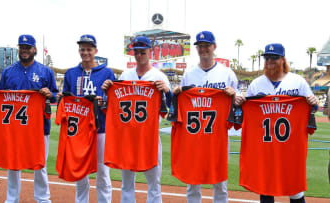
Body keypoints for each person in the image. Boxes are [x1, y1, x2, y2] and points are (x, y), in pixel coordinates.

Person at [236, 43, 318, 203]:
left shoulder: (298, 81)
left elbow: (312, 109)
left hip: (291, 149)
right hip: (265, 148)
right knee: (266, 189)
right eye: (267, 58)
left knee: (295, 191)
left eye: (274, 58)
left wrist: (313, 103)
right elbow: (245, 111)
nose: (270, 61)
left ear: (283, 60)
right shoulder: (256, 84)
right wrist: (239, 102)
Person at [0, 34, 58, 203]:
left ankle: (43, 199)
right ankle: (12, 199)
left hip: (39, 127)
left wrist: (50, 94)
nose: (24, 50)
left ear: (35, 50)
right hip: (15, 127)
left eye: (27, 47)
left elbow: (55, 96)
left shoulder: (45, 71)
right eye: (22, 47)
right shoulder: (9, 71)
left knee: (40, 165)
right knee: (13, 163)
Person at [102, 35, 172, 203]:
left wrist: (167, 92)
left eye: (143, 52)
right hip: (127, 137)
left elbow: (172, 107)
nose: (139, 55)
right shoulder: (126, 75)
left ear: (150, 51)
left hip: (150, 137)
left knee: (154, 183)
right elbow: (112, 105)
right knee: (126, 183)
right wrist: (106, 91)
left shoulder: (159, 76)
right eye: (136, 52)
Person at [172, 31, 239, 203]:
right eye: (200, 46)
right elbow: (181, 103)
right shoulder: (189, 74)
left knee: (220, 182)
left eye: (207, 46)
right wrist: (178, 93)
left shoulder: (227, 74)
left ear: (214, 47)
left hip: (218, 135)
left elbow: (238, 104)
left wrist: (234, 96)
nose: (203, 49)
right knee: (192, 181)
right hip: (193, 135)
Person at [57, 34, 115, 203]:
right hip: (79, 130)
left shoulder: (107, 72)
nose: (85, 52)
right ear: (79, 50)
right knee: (80, 171)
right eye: (82, 49)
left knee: (103, 172)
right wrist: (62, 97)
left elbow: (115, 100)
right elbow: (64, 100)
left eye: (89, 49)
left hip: (101, 127)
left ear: (95, 50)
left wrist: (102, 100)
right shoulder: (71, 73)